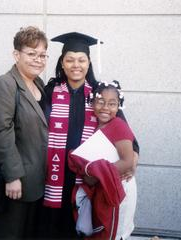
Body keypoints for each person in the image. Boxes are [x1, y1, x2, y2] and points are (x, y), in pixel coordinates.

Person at [40, 32, 139, 239]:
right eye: (70, 59)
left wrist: (132, 161)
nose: (76, 65)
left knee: (85, 228)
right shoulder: (50, 92)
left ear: (89, 63)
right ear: (62, 63)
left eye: (81, 60)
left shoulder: (100, 95)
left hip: (87, 179)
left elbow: (127, 136)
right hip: (55, 176)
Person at [0, 26, 48, 239]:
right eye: (31, 54)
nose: (38, 60)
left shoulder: (39, 84)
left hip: (36, 180)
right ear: (16, 55)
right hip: (14, 182)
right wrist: (13, 176)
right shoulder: (6, 84)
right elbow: (1, 132)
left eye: (42, 55)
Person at [68, 80, 137, 239]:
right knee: (102, 228)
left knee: (114, 232)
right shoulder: (96, 126)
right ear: (92, 102)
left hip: (118, 187)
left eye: (112, 104)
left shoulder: (118, 125)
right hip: (104, 184)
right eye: (101, 102)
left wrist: (95, 176)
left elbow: (127, 161)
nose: (106, 108)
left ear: (118, 106)